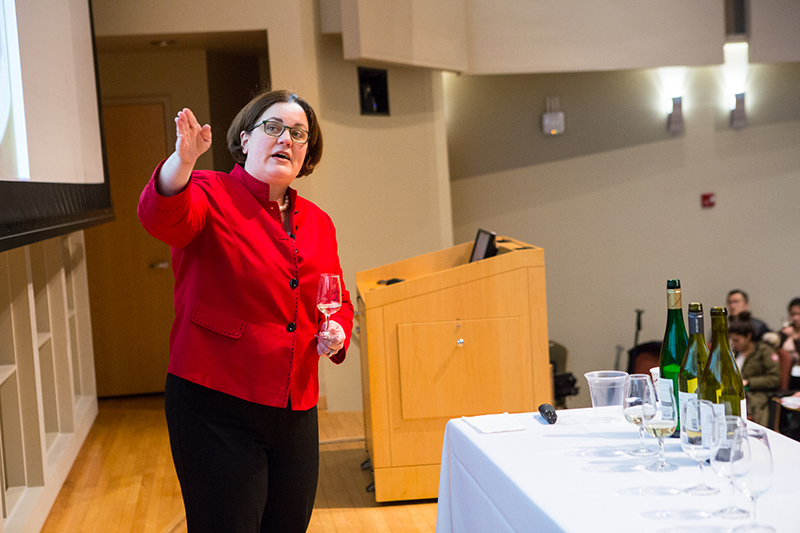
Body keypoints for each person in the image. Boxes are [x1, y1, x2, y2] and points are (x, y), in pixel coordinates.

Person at [137, 89, 354, 533]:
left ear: (307, 152)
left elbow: (337, 300)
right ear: (246, 139)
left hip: (295, 406)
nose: (286, 139)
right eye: (273, 128)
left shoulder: (318, 221)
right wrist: (183, 159)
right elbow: (160, 217)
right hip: (215, 400)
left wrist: (337, 334)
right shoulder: (207, 191)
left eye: (298, 134)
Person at [728, 311, 781, 426]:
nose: (733, 343)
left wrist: (748, 382)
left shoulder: (764, 351)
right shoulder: (735, 353)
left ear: (748, 336)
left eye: (737, 340)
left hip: (755, 395)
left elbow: (774, 379)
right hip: (736, 393)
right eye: (731, 340)